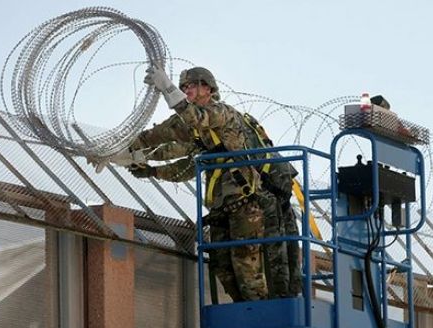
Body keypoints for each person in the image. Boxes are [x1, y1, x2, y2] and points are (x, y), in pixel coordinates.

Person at [123, 65, 301, 300]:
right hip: (222, 208)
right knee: (223, 268)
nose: (187, 91)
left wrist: (168, 88)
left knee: (246, 267)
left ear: (207, 88)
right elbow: (181, 160)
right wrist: (144, 164)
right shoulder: (196, 130)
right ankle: (248, 315)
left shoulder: (222, 114)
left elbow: (196, 117)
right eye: (183, 87)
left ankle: (263, 315)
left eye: (191, 86)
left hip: (247, 203)